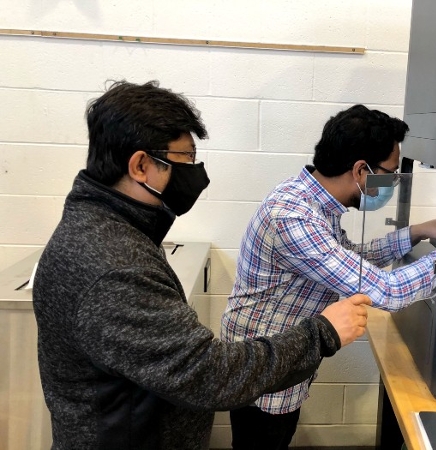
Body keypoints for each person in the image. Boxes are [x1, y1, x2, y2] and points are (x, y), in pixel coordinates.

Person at [31, 81, 372, 450]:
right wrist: (322, 333)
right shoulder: (113, 266)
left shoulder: (107, 227)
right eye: (184, 161)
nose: (194, 174)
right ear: (141, 165)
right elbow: (209, 376)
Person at [221, 104, 436, 449]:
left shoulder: (312, 203)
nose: (390, 183)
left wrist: (418, 230)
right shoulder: (293, 217)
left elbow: (350, 261)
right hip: (263, 364)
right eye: (388, 173)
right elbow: (385, 292)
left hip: (281, 353)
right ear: (360, 170)